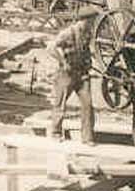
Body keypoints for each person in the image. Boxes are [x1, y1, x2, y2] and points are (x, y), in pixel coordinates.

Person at [41, 12, 96, 144]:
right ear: (84, 20)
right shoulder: (68, 33)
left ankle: (87, 138)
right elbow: (51, 48)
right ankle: (55, 133)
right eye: (91, 21)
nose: (92, 24)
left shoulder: (87, 33)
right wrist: (63, 62)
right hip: (66, 74)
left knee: (87, 105)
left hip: (82, 74)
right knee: (60, 104)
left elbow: (88, 50)